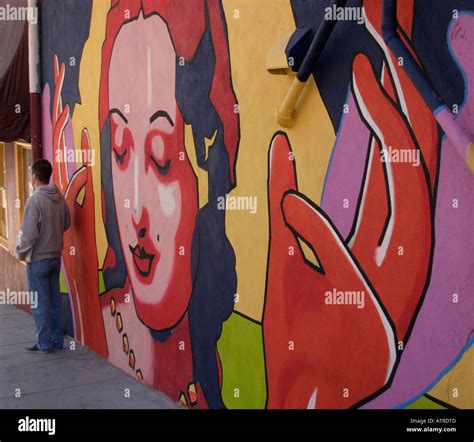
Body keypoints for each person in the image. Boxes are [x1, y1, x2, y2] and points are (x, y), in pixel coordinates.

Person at [16, 159, 71, 353]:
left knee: (40, 303)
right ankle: (57, 341)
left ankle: (44, 343)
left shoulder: (34, 201)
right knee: (55, 300)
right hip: (55, 257)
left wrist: (20, 251)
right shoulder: (59, 197)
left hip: (38, 259)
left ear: (33, 177)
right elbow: (67, 222)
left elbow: (29, 234)